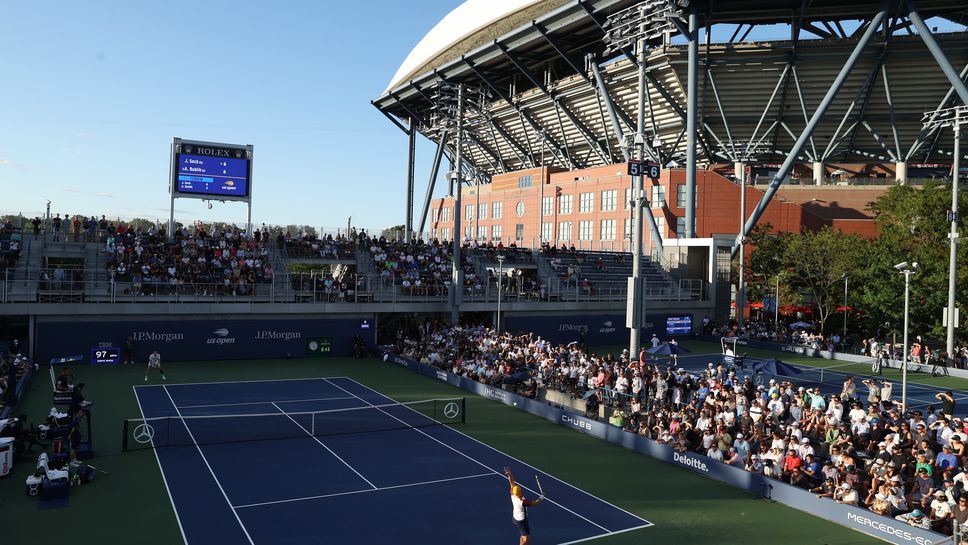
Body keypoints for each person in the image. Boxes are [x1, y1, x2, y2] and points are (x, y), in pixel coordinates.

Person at [504, 467, 542, 545]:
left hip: (515, 518)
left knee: (523, 535)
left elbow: (511, 482)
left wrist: (509, 474)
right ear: (520, 492)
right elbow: (536, 503)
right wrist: (542, 496)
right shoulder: (522, 502)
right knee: (527, 540)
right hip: (522, 521)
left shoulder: (513, 494)